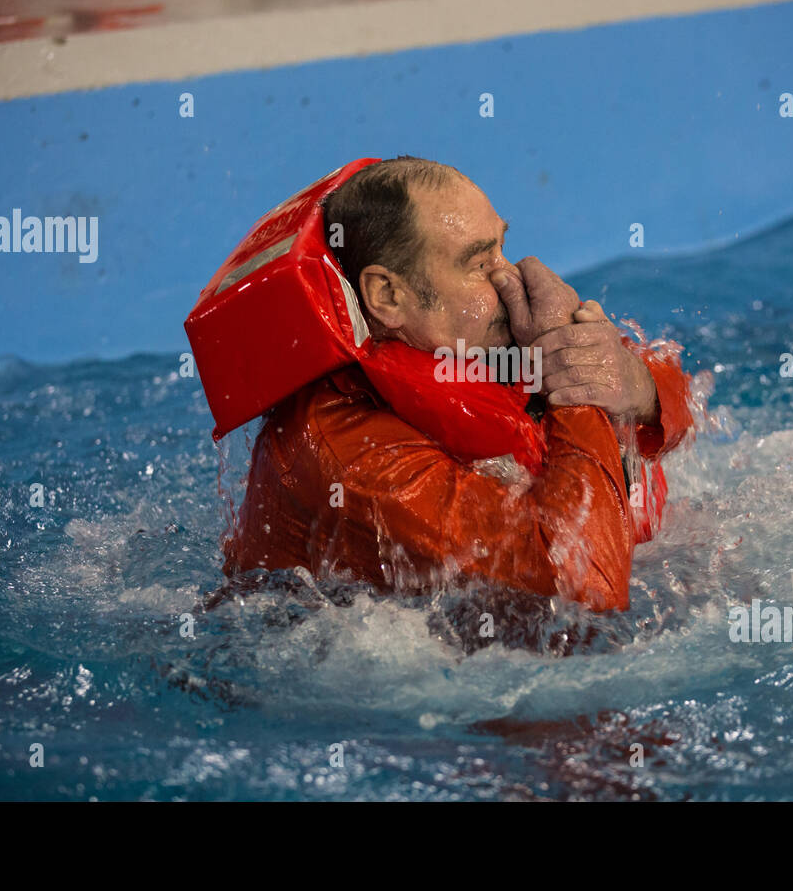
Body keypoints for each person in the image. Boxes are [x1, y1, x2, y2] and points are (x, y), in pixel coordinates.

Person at [222, 156, 696, 613]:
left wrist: (633, 386)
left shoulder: (461, 348)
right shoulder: (350, 455)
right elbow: (583, 583)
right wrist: (570, 384)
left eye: (501, 249)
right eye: (479, 263)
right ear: (388, 296)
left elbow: (680, 403)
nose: (509, 277)